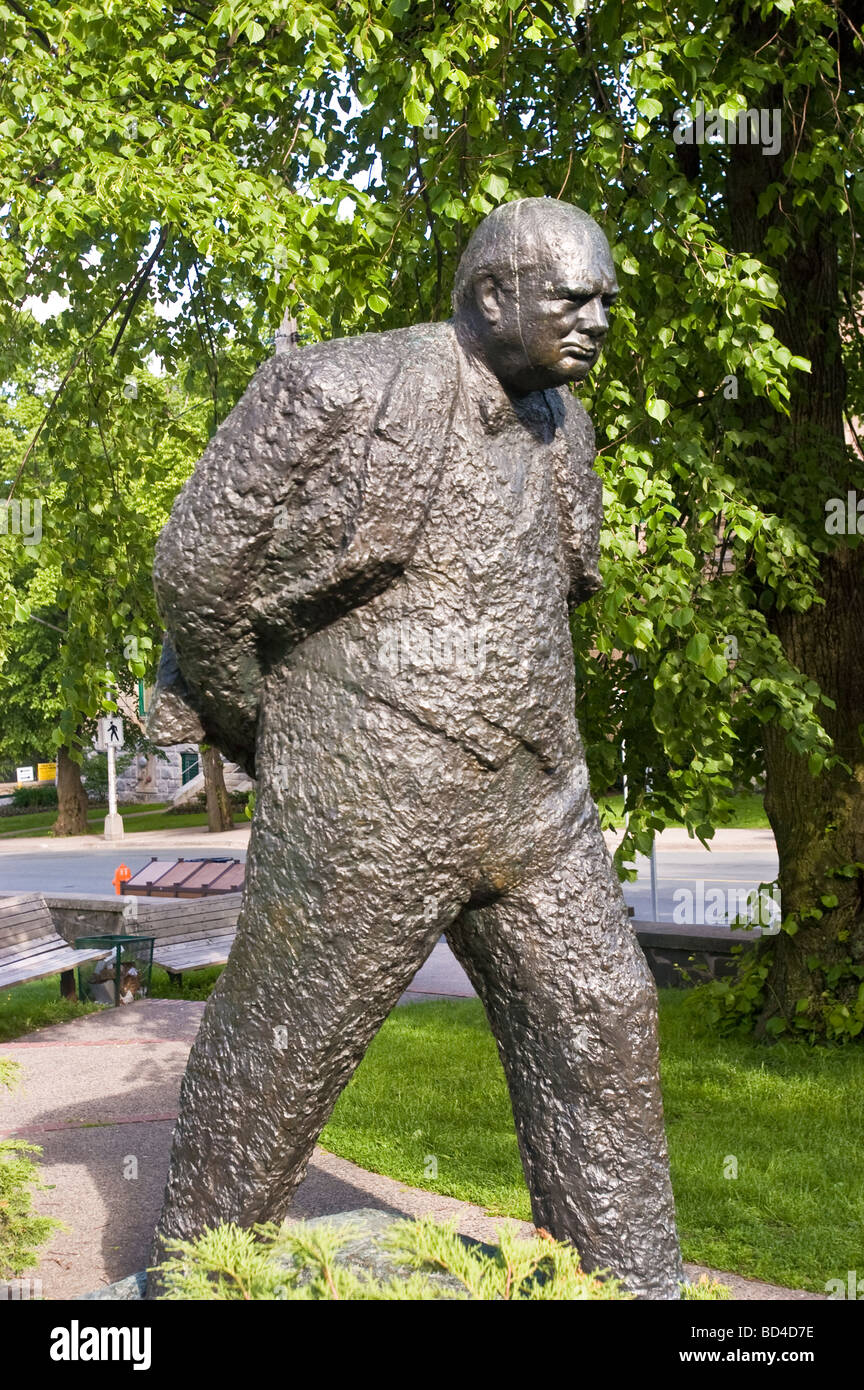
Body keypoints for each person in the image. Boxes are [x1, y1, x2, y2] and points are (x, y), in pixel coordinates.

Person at [148, 197, 683, 1299]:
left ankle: (636, 1298)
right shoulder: (337, 387)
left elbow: (552, 593)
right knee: (282, 1057)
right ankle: (189, 1285)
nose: (599, 320)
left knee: (605, 1014)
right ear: (494, 297)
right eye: (573, 299)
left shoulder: (563, 426)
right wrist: (270, 724)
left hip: (537, 799)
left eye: (608, 302)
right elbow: (195, 571)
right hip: (369, 795)